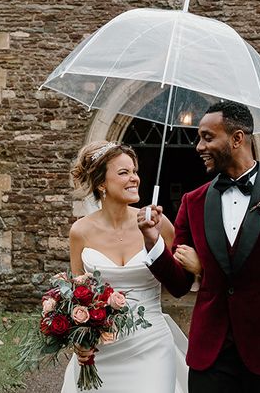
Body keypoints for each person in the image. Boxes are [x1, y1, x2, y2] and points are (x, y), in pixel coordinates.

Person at [138, 101, 260, 393]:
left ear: (237, 138)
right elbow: (179, 285)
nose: (198, 146)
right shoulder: (193, 202)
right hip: (210, 359)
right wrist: (153, 241)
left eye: (208, 137)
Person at [61, 140, 196, 393]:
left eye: (134, 171)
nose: (134, 178)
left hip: (152, 343)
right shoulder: (80, 232)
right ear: (101, 183)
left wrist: (155, 241)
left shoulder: (160, 223)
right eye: (124, 173)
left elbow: (180, 281)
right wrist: (79, 340)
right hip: (102, 348)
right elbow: (76, 295)